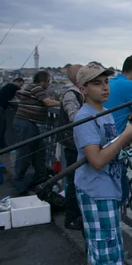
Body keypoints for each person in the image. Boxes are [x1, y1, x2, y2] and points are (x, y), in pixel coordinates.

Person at [73, 63, 132, 265]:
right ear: (82, 89)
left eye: (106, 81)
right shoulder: (85, 117)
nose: (105, 87)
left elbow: (112, 146)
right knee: (106, 257)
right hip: (97, 192)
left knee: (98, 251)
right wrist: (126, 137)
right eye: (97, 83)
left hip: (105, 188)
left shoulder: (104, 112)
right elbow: (96, 160)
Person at [104, 56, 132, 203]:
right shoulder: (131, 85)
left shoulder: (111, 82)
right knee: (120, 193)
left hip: (99, 141)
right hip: (113, 145)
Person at [13, 71, 60, 195]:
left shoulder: (31, 87)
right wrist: (63, 103)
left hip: (30, 124)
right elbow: (48, 102)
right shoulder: (37, 88)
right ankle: (19, 183)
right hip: (26, 123)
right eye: (49, 80)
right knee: (25, 153)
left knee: (39, 151)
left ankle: (39, 179)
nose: (49, 83)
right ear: (44, 80)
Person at [59, 64, 84, 230]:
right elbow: (76, 118)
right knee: (74, 182)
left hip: (77, 144)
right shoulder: (71, 94)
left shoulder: (76, 94)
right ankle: (72, 218)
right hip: (73, 145)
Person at [0, 77, 24, 148]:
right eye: (21, 85)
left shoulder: (8, 86)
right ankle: (3, 146)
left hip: (2, 108)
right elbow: (21, 94)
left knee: (3, 128)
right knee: (2, 128)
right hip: (1, 109)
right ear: (17, 82)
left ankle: (3, 146)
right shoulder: (13, 86)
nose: (20, 87)